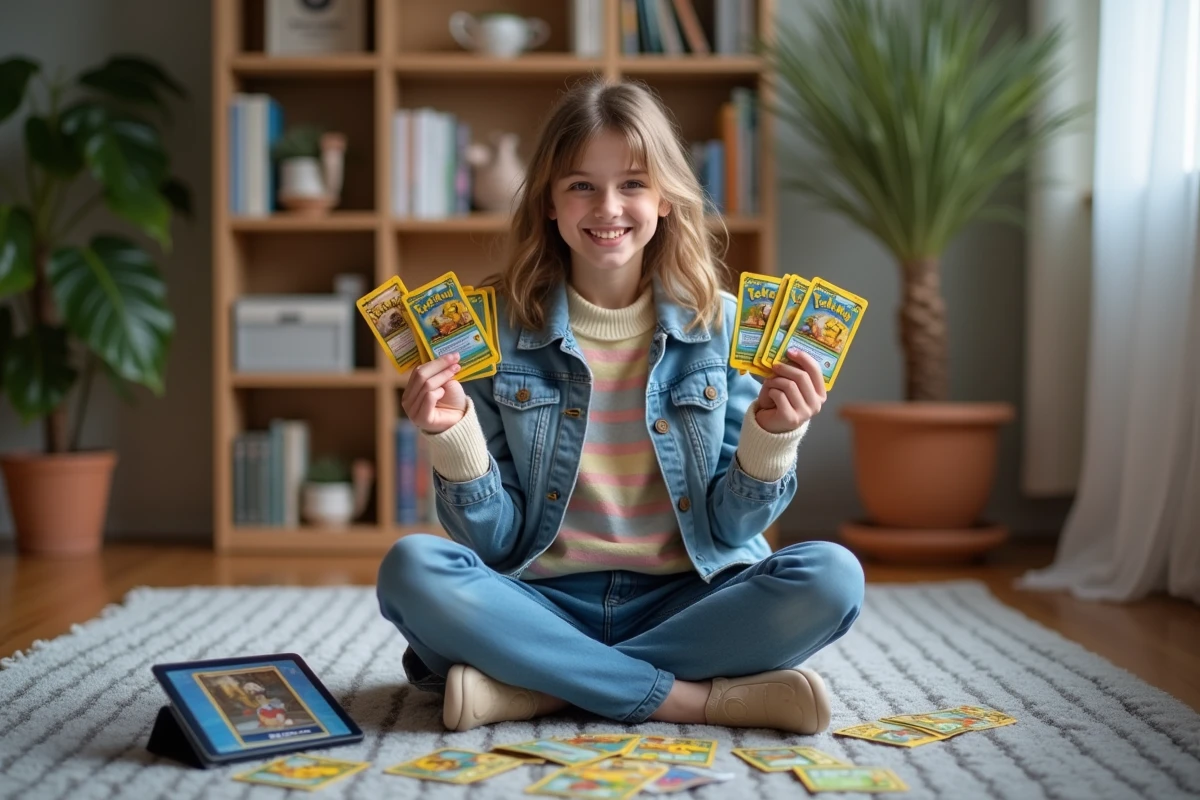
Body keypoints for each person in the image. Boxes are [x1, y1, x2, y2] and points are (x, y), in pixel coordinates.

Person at [376, 77, 865, 735]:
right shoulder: (488, 329)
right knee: (412, 568)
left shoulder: (723, 328)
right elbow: (495, 542)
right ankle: (690, 699)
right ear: (548, 201)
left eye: (633, 183)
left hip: (688, 600)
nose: (608, 206)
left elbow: (730, 529)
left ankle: (534, 687)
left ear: (666, 198)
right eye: (581, 184)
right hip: (538, 598)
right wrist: (453, 440)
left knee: (832, 578)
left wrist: (773, 440)